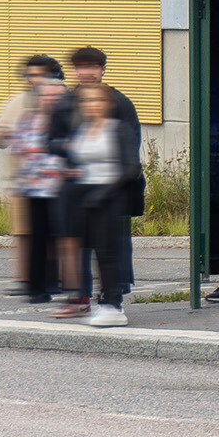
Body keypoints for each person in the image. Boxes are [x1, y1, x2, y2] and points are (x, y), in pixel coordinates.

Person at [53, 47, 143, 306]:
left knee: (113, 244)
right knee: (78, 240)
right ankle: (78, 293)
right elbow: (56, 137)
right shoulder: (68, 101)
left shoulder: (119, 102)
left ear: (103, 69)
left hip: (113, 186)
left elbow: (131, 145)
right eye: (81, 67)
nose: (87, 72)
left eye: (93, 67)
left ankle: (112, 292)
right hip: (77, 185)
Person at [0, 55, 57, 296]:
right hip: (24, 178)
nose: (35, 80)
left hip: (57, 179)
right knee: (25, 231)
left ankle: (56, 279)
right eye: (30, 75)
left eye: (40, 74)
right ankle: (26, 279)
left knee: (57, 232)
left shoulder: (61, 99)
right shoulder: (17, 103)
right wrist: (3, 134)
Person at [6, 69, 68, 306]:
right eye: (46, 96)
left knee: (64, 238)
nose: (51, 100)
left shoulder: (68, 121)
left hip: (62, 188)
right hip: (35, 188)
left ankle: (66, 284)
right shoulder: (28, 121)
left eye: (56, 97)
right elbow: (22, 149)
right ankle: (37, 287)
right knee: (39, 238)